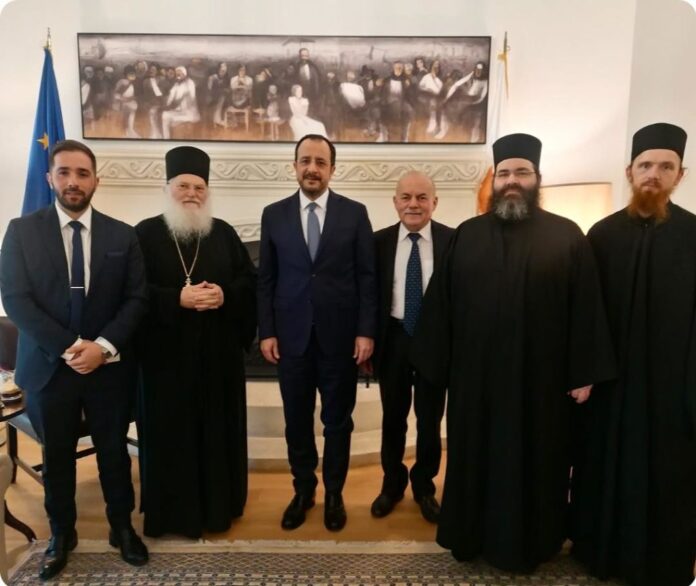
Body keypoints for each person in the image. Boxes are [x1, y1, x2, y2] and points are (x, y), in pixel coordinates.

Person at [411, 133, 615, 572]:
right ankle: (470, 535)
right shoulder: (467, 235)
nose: (512, 180)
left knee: (537, 460)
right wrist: (436, 370)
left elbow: (586, 309)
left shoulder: (567, 236)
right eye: (504, 173)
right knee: (475, 458)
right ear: (494, 180)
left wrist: (583, 372)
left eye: (522, 172)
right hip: (476, 384)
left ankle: (533, 542)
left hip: (541, 386)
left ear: (537, 178)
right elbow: (440, 308)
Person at [0, 140, 149, 580]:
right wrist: (70, 347)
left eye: (82, 173)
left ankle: (122, 528)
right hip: (49, 369)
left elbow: (137, 299)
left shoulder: (123, 235)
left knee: (113, 454)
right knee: (58, 457)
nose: (73, 181)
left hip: (108, 369)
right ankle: (62, 534)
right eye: (64, 172)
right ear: (50, 178)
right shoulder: (21, 231)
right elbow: (17, 300)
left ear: (96, 180)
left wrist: (101, 347)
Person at [571, 122, 696, 586]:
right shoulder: (601, 235)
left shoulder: (694, 234)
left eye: (665, 166)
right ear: (629, 171)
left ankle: (662, 564)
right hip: (611, 386)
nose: (653, 175)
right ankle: (599, 554)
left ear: (681, 174)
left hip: (672, 391)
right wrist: (586, 373)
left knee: (669, 476)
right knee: (604, 468)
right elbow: (585, 314)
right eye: (645, 165)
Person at [135, 146, 256, 539]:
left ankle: (219, 509)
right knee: (172, 438)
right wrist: (177, 298)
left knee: (217, 434)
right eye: (183, 185)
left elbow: (249, 283)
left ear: (207, 192)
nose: (191, 193)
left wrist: (225, 295)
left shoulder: (223, 233)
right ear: (167, 188)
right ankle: (172, 515)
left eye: (199, 187)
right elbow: (131, 293)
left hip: (218, 360)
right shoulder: (144, 234)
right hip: (165, 363)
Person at [257, 134, 377, 532]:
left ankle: (335, 494)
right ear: (294, 166)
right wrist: (267, 331)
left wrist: (365, 331)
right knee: (296, 421)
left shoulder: (354, 214)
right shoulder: (273, 214)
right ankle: (303, 491)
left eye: (320, 162)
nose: (312, 168)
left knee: (337, 421)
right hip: (290, 339)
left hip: (340, 340)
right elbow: (266, 279)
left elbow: (367, 277)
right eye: (305, 160)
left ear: (332, 169)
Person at [371, 171, 453, 522]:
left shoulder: (454, 240)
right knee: (393, 417)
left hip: (435, 341)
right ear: (395, 202)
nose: (413, 204)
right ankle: (392, 485)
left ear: (434, 202)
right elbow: (368, 296)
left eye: (422, 197)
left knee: (430, 419)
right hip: (394, 338)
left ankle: (424, 486)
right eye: (406, 197)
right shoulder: (377, 242)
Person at [161, 65, 200, 139]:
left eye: (180, 73)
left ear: (184, 74)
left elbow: (189, 98)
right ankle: (166, 139)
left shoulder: (189, 83)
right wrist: (167, 105)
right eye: (177, 73)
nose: (178, 75)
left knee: (172, 121)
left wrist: (171, 106)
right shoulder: (176, 84)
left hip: (188, 112)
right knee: (164, 115)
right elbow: (171, 97)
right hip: (178, 110)